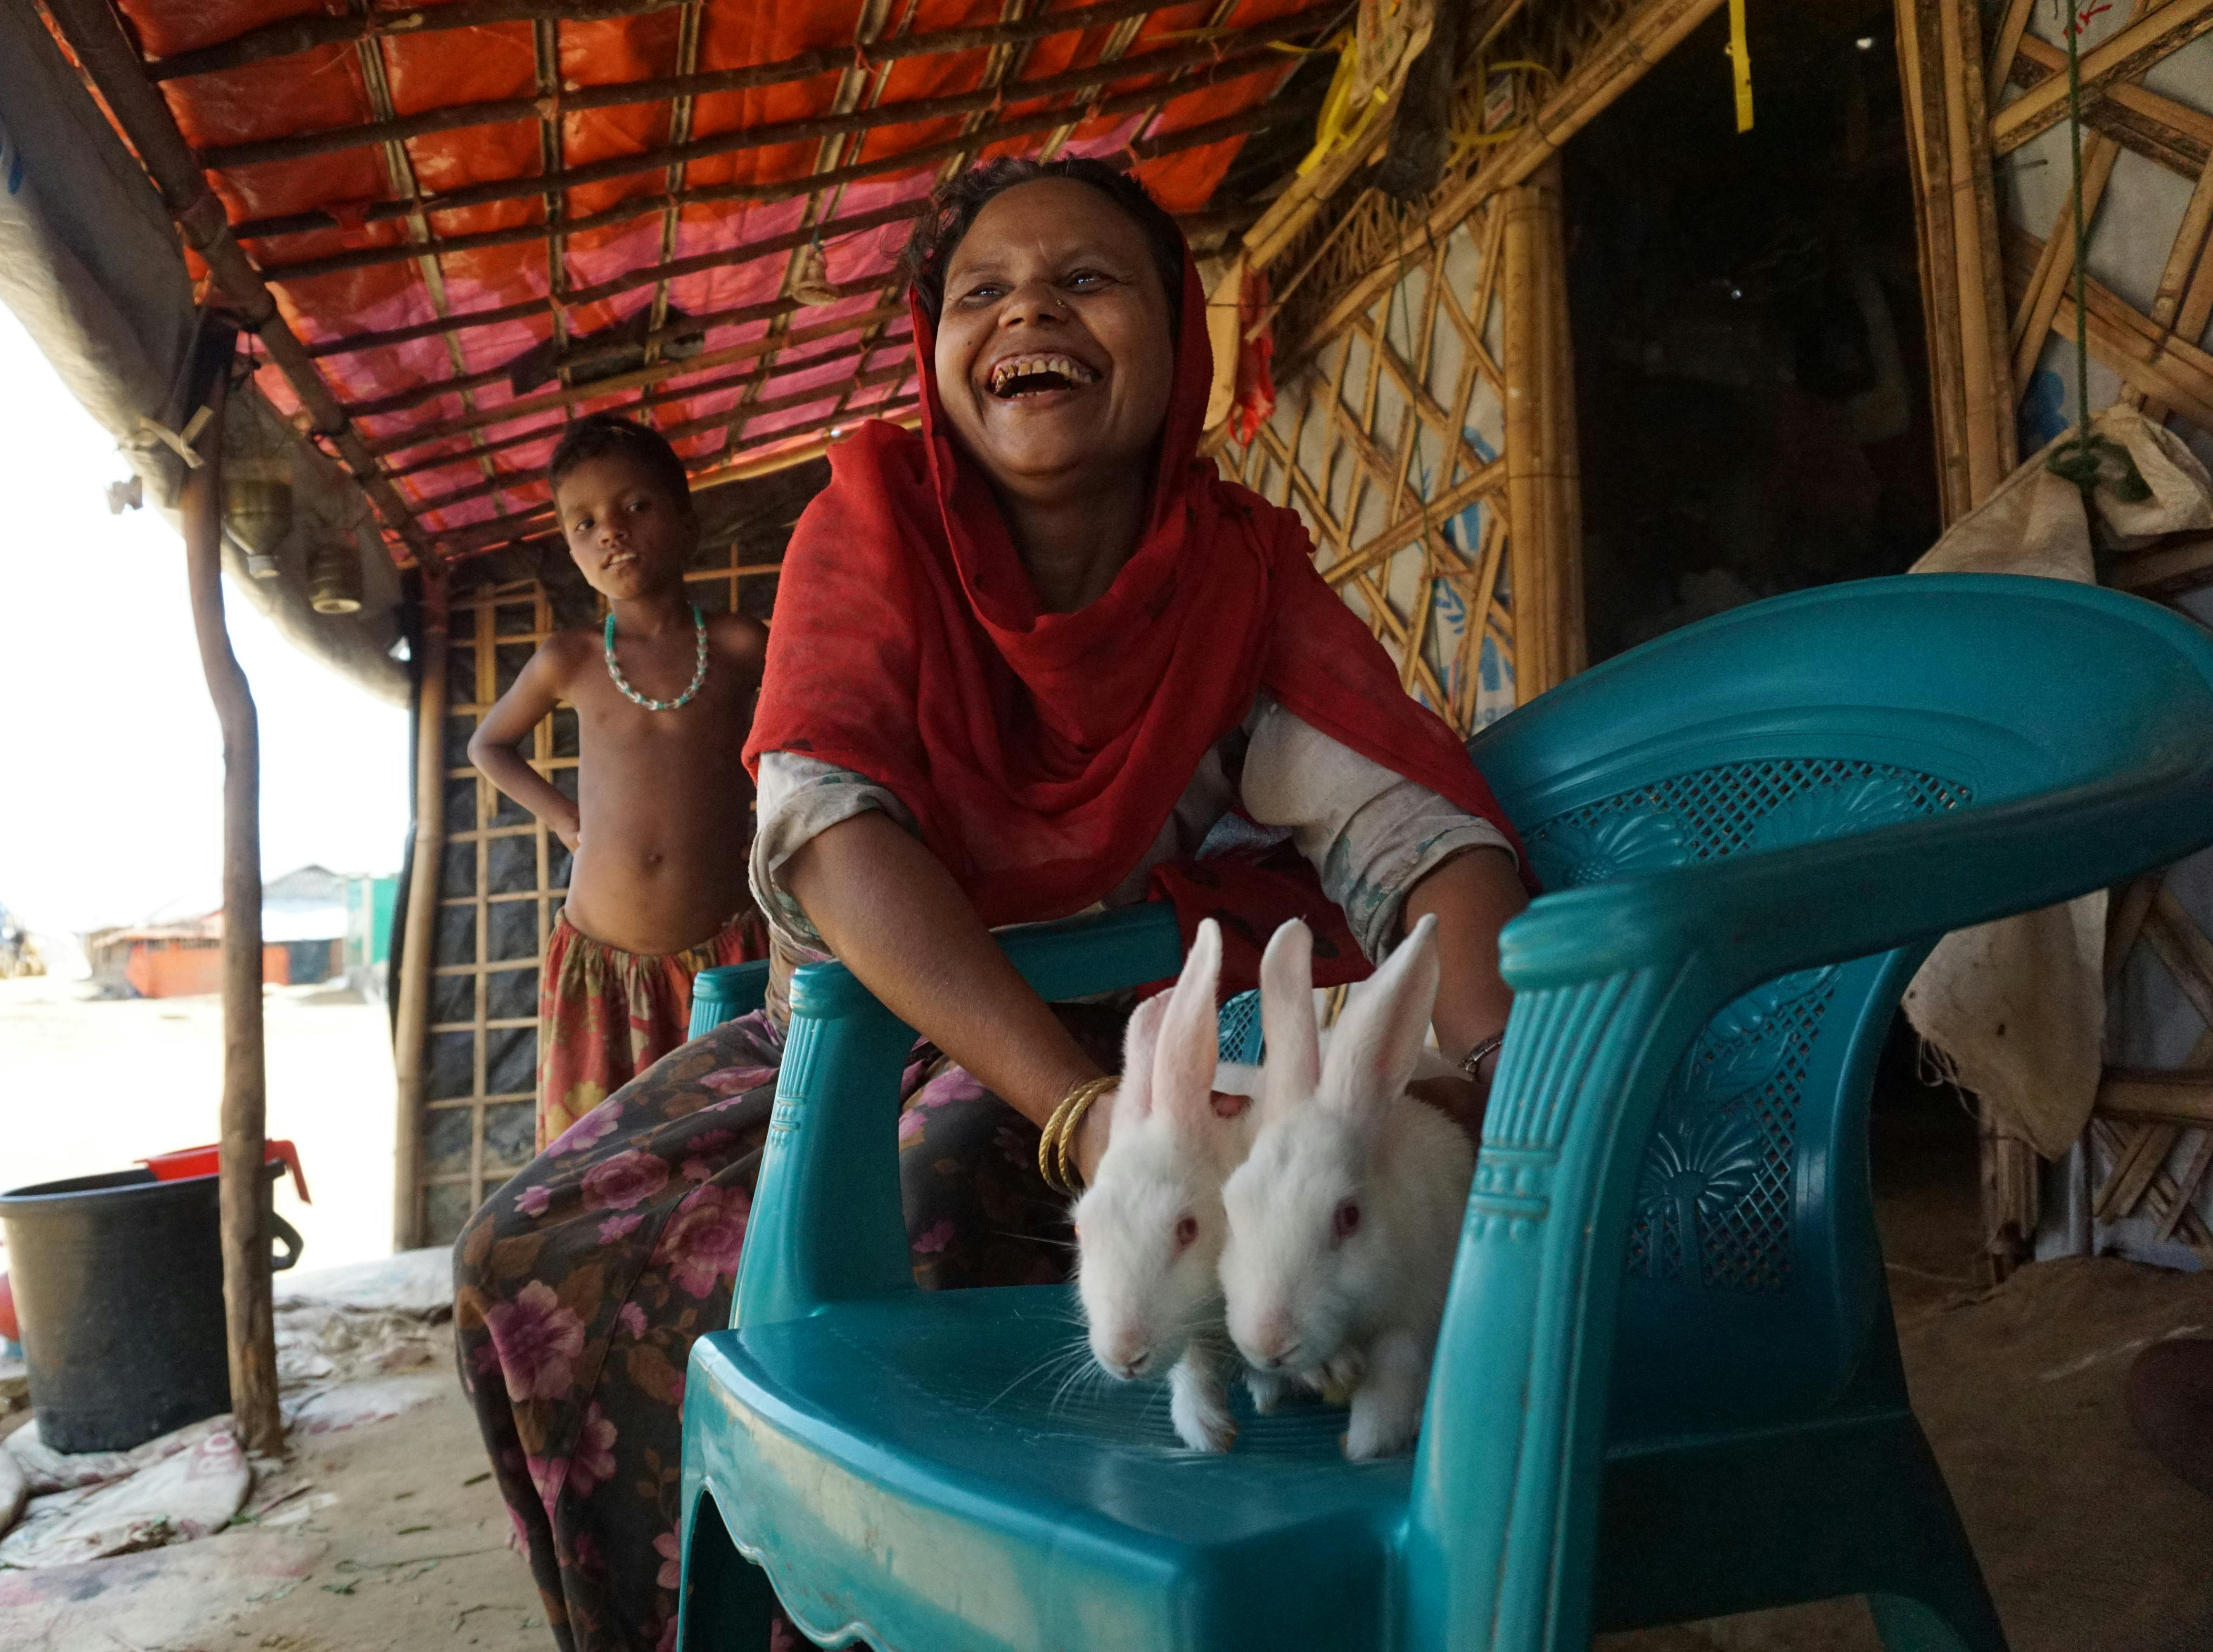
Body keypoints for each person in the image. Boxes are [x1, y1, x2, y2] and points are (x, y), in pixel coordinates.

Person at [453, 159, 1535, 1652]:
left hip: (1118, 1052)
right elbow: (827, 834)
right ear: (935, 349)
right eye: (984, 291)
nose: (1030, 310)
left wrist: (1503, 1084)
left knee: (944, 1215)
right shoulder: (866, 530)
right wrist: (1076, 1113)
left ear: (1180, 339)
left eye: (1087, 280)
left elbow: (1407, 827)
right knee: (520, 1260)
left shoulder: (1241, 582)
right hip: (851, 1033)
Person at [466, 415, 772, 1151]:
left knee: (733, 1151)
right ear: (571, 549)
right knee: (601, 1161)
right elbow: (489, 745)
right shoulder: (568, 658)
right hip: (600, 966)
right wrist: (566, 819)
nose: (612, 531)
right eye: (585, 523)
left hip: (727, 955)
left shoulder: (741, 644)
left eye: (636, 505)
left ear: (688, 522)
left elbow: (802, 735)